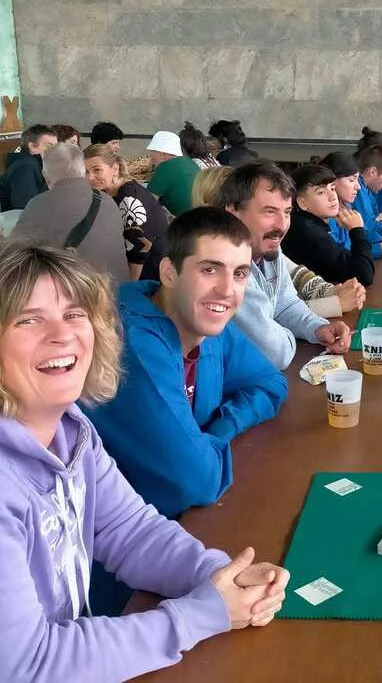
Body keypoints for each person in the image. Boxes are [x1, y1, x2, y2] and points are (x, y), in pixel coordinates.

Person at [0, 241, 288, 682]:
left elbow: (129, 531)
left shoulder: (71, 429)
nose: (61, 335)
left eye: (74, 314)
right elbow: (29, 664)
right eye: (28, 319)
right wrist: (198, 616)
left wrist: (219, 577)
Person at [85, 206, 287, 517]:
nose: (227, 290)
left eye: (239, 273)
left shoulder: (204, 320)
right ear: (169, 273)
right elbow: (195, 481)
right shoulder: (131, 342)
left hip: (186, 520)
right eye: (209, 270)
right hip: (120, 534)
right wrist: (205, 448)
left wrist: (222, 429)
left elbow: (271, 383)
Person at [219, 161, 352, 369]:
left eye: (287, 212)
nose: (281, 226)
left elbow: (285, 304)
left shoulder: (268, 245)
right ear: (233, 211)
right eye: (269, 212)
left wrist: (318, 328)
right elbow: (276, 353)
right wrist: (284, 330)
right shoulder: (226, 264)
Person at [12, 143, 128, 281]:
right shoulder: (107, 200)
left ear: (45, 175)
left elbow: (15, 253)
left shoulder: (38, 204)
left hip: (83, 291)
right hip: (120, 288)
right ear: (82, 170)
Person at [83, 143, 168, 281]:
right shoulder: (113, 192)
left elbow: (141, 248)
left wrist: (129, 287)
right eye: (86, 172)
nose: (90, 177)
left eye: (97, 170)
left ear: (115, 168)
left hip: (150, 275)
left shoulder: (128, 198)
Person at [320, 150, 382, 262]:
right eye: (352, 180)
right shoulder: (327, 213)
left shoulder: (346, 205)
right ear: (332, 181)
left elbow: (362, 230)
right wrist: (379, 249)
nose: (358, 187)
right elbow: (341, 253)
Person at [0, 124, 57, 211]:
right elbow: (24, 205)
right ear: (32, 146)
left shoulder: (34, 163)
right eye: (49, 146)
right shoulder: (26, 166)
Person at [146, 130, 200, 216]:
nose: (152, 160)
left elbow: (148, 201)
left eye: (153, 156)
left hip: (182, 220)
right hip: (200, 216)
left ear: (163, 154)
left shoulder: (165, 167)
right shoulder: (191, 163)